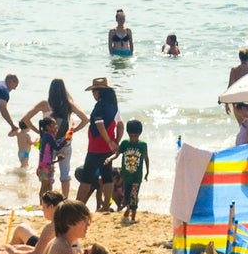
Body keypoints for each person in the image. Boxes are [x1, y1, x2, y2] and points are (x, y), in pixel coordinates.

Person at [18, 79, 88, 198]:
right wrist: (71, 132)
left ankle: (47, 200)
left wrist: (40, 133)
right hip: (65, 143)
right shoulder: (68, 104)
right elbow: (85, 119)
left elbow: (26, 119)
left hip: (47, 145)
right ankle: (64, 201)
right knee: (65, 175)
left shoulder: (45, 104)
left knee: (47, 174)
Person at [76, 78, 120, 210]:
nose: (93, 94)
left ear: (99, 91)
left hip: (96, 148)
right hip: (108, 148)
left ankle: (77, 205)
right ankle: (106, 206)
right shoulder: (113, 106)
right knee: (107, 177)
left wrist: (108, 141)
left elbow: (99, 125)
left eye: (94, 91)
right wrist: (115, 141)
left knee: (86, 178)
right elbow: (121, 125)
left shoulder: (100, 106)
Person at [115, 119, 149, 222]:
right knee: (127, 197)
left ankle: (133, 217)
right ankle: (128, 209)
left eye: (136, 136)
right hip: (127, 176)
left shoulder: (142, 145)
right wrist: (110, 158)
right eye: (131, 136)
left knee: (134, 196)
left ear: (139, 135)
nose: (133, 138)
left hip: (137, 177)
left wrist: (147, 172)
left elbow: (146, 158)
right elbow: (117, 153)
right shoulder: (125, 143)